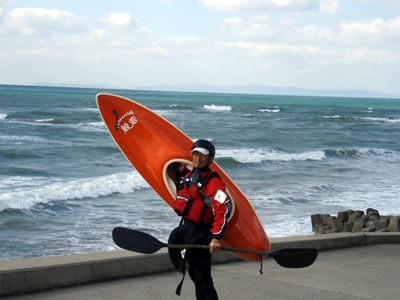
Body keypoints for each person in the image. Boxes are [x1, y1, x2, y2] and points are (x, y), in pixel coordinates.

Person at [168, 139, 232, 300]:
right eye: (195, 154)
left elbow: (222, 209)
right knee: (195, 276)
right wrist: (178, 172)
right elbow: (184, 193)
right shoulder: (188, 175)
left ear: (210, 158)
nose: (197, 158)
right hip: (187, 230)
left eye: (202, 155)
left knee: (203, 279)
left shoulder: (214, 182)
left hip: (202, 233)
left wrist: (216, 238)